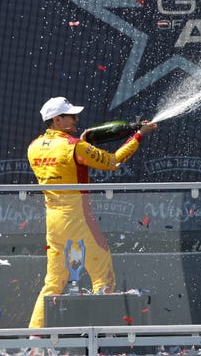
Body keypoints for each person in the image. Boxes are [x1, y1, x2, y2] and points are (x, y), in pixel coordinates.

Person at [27, 97, 158, 329]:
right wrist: (139, 135)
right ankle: (99, 338)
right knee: (103, 276)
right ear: (57, 119)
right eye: (71, 116)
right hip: (77, 217)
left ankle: (33, 341)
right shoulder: (74, 146)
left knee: (53, 283)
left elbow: (66, 162)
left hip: (53, 221)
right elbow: (113, 161)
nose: (77, 119)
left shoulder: (34, 146)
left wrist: (84, 142)